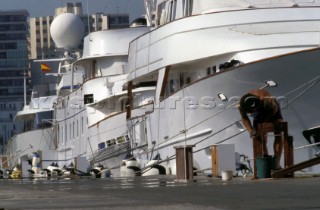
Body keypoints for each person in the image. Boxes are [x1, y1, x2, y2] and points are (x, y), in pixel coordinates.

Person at [238, 89, 283, 169]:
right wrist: (251, 131)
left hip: (271, 110)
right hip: (259, 113)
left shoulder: (266, 99)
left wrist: (264, 123)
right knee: (259, 138)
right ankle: (266, 162)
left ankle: (277, 164)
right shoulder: (241, 105)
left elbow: (274, 110)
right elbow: (244, 118)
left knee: (278, 133)